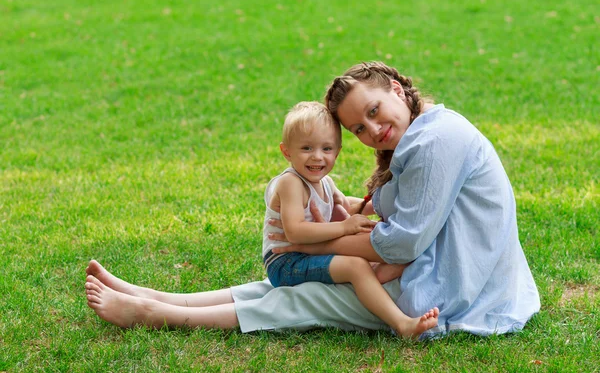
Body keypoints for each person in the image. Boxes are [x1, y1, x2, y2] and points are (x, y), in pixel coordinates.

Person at [85, 61, 540, 339]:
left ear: (397, 91)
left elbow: (401, 244)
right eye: (359, 128)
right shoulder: (424, 134)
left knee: (303, 298)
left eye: (374, 111)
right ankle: (159, 297)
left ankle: (154, 314)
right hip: (453, 270)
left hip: (454, 290)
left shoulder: (434, 141)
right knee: (293, 284)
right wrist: (345, 219)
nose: (372, 129)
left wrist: (312, 244)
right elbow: (394, 217)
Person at [260, 101, 438, 337]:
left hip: (306, 253)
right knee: (355, 266)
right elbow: (295, 232)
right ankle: (401, 323)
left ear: (338, 151)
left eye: (327, 149)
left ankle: (372, 292)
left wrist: (387, 208)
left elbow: (350, 207)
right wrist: (345, 227)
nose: (317, 157)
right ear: (286, 152)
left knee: (372, 248)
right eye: (306, 148)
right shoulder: (291, 183)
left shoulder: (324, 182)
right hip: (286, 263)